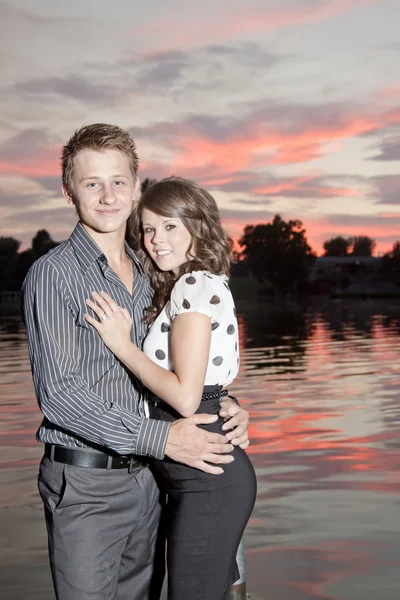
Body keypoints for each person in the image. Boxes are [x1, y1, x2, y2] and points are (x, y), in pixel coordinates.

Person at [21, 124, 251, 600]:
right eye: (92, 184)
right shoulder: (53, 274)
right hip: (86, 486)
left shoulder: (155, 272)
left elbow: (179, 368)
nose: (107, 196)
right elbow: (61, 396)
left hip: (154, 479)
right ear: (69, 192)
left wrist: (225, 406)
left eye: (118, 182)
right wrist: (164, 436)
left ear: (135, 186)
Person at [85, 177, 257, 600]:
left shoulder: (193, 285)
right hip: (198, 476)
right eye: (148, 228)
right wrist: (228, 403)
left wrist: (122, 344)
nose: (156, 239)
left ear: (197, 227)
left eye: (170, 226)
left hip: (207, 483)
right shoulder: (199, 281)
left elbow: (185, 396)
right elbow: (210, 385)